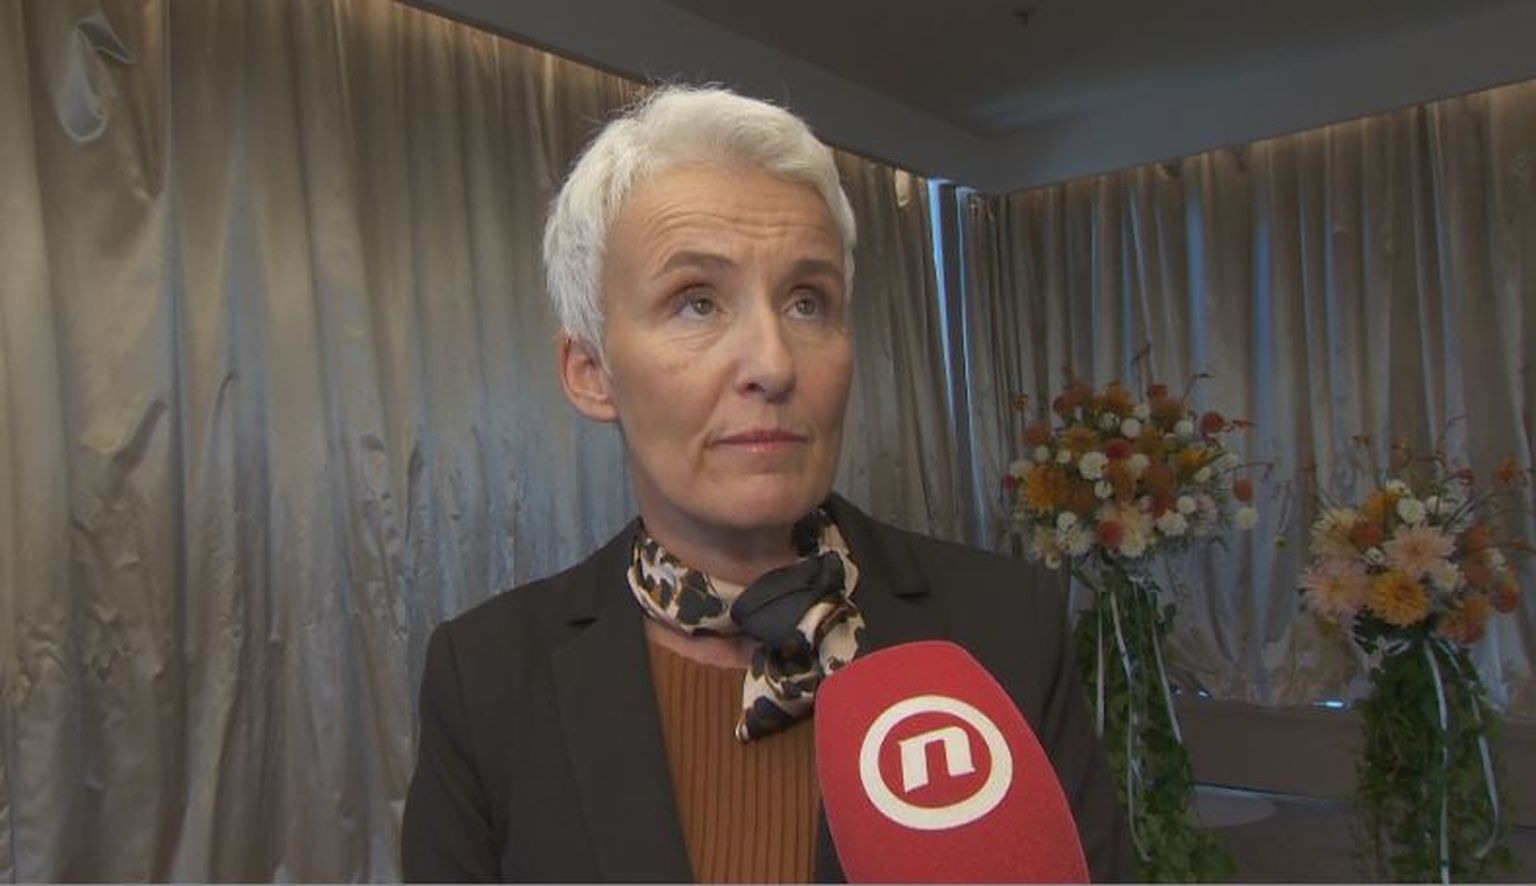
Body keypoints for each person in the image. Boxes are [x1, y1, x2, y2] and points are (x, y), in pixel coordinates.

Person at [401, 85, 1131, 882]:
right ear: (591, 372)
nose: (775, 364)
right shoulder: (488, 677)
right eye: (697, 303)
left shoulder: (1004, 626)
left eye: (808, 302)